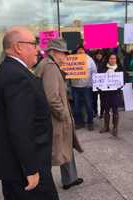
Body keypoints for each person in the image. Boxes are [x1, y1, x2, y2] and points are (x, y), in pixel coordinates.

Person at [0, 27, 59, 200]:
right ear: (18, 47)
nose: (38, 49)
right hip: (25, 167)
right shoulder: (17, 76)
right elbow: (20, 127)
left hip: (15, 163)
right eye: (34, 44)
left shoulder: (7, 70)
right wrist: (31, 169)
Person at [35, 39, 84, 190]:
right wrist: (63, 114)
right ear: (54, 52)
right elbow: (52, 97)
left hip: (53, 117)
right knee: (53, 151)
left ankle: (70, 178)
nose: (65, 56)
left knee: (65, 146)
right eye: (63, 53)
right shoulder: (50, 66)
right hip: (55, 119)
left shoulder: (49, 64)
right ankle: (42, 184)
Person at [71, 45, 97, 131]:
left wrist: (92, 84)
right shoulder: (72, 59)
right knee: (76, 107)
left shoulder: (89, 60)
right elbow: (67, 71)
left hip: (87, 87)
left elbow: (94, 72)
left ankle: (90, 122)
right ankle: (79, 123)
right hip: (75, 87)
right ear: (77, 51)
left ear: (84, 51)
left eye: (82, 50)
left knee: (89, 106)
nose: (80, 52)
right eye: (79, 50)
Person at [99, 53, 124, 136]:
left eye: (114, 58)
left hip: (115, 93)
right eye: (110, 58)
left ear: (116, 60)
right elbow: (98, 79)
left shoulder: (120, 68)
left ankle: (115, 128)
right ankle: (106, 127)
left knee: (115, 111)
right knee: (106, 110)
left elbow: (125, 79)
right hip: (105, 94)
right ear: (107, 59)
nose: (112, 60)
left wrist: (121, 84)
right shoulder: (103, 68)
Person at [93, 49, 105, 118]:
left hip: (102, 84)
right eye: (97, 54)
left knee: (102, 99)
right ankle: (95, 111)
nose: (99, 55)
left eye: (100, 54)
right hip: (94, 83)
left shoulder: (104, 62)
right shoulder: (93, 62)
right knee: (94, 99)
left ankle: (102, 113)